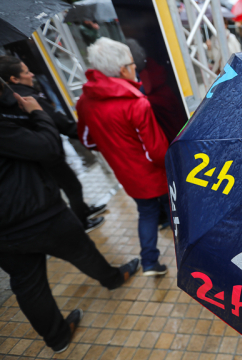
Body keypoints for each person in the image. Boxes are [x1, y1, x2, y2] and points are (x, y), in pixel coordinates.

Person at [0, 72, 139, 354]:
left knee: (26, 282)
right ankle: (113, 279)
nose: (30, 73)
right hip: (34, 212)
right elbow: (47, 148)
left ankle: (57, 338)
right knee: (82, 250)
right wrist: (37, 113)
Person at [76, 37, 170, 277]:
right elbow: (156, 151)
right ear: (122, 69)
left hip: (126, 174)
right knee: (175, 209)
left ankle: (149, 261)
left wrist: (114, 148)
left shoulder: (85, 101)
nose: (136, 67)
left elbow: (88, 140)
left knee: (146, 213)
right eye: (132, 63)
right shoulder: (136, 104)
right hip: (152, 173)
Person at [0, 56, 107, 232]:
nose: (32, 74)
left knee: (64, 187)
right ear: (14, 79)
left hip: (29, 159)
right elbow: (61, 123)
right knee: (73, 187)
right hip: (47, 153)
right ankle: (82, 222)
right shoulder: (27, 98)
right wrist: (97, 138)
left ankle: (82, 210)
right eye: (27, 72)